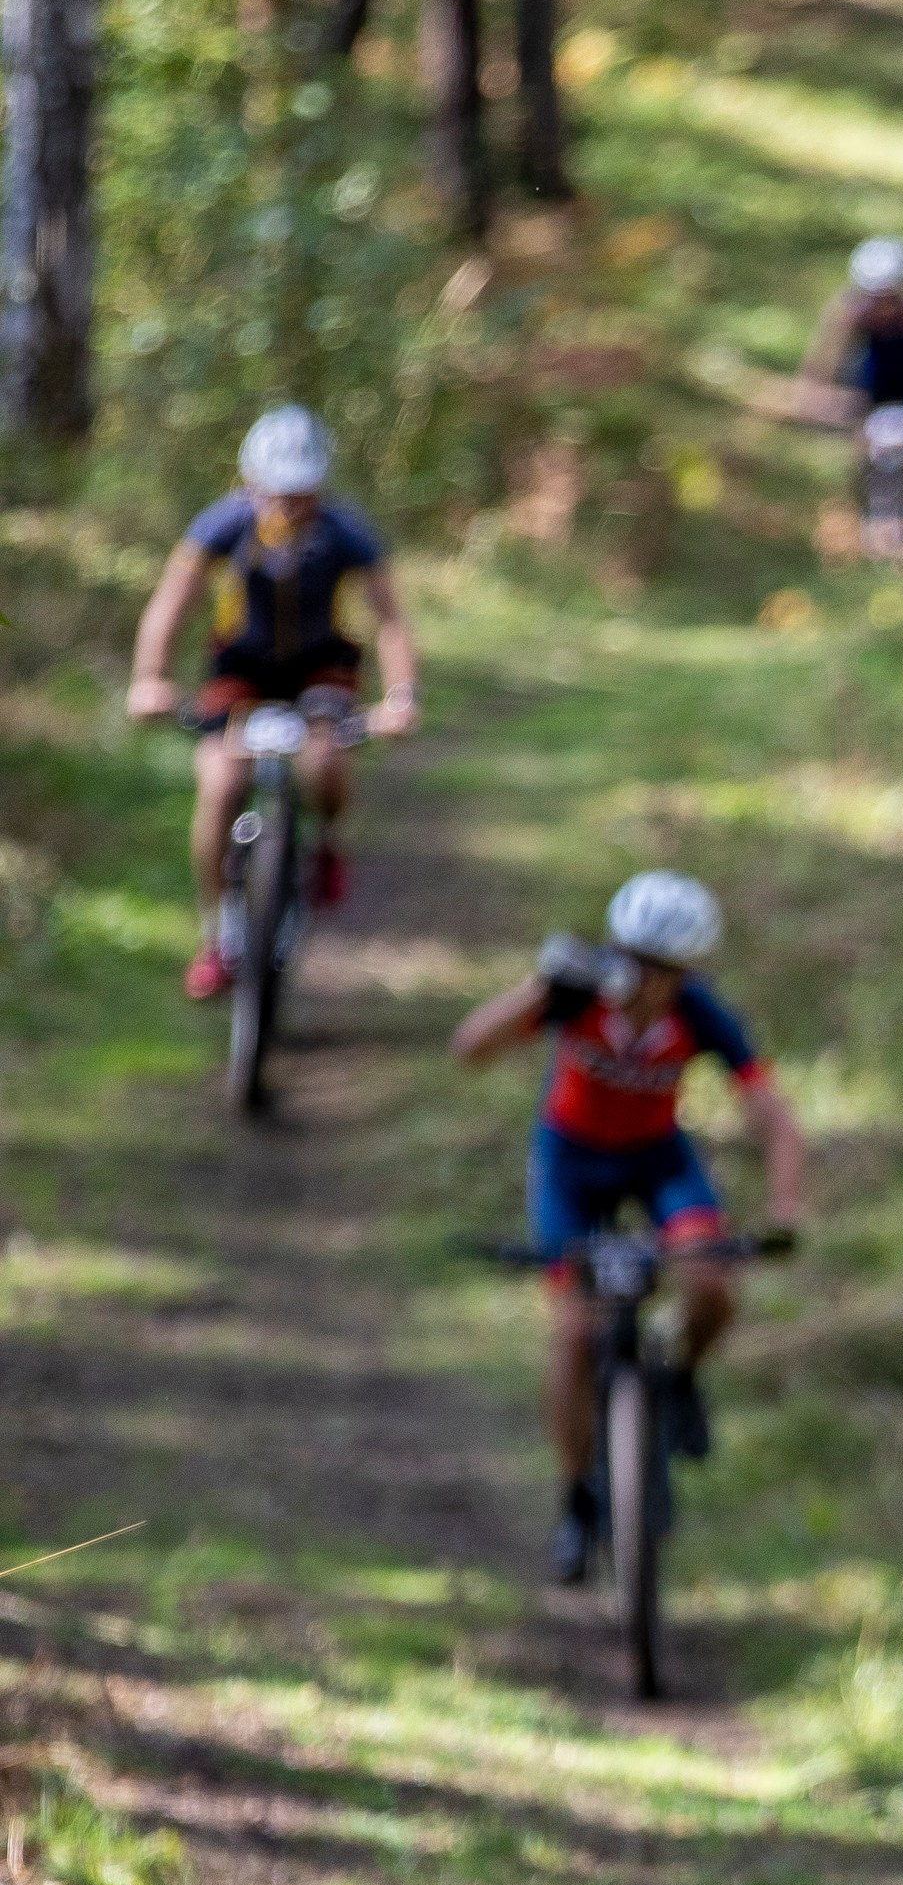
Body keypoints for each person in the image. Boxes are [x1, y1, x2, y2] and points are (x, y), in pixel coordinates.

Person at [452, 870, 806, 1585]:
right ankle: (576, 1497)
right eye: (629, 957)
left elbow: (772, 1114)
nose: (639, 978)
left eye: (658, 967)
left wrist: (784, 1207)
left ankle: (679, 1381)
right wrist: (536, 989)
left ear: (685, 973)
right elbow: (470, 1048)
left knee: (711, 1284)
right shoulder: (575, 995)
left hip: (657, 1161)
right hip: (570, 1166)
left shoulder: (700, 1014)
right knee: (575, 1331)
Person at [126, 406, 421, 1003]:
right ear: (251, 483)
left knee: (325, 762)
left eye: (302, 492)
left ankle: (326, 842)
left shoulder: (347, 531)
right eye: (277, 492)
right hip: (241, 671)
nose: (290, 504)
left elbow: (390, 620)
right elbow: (172, 604)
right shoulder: (222, 525)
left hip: (322, 667)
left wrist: (401, 696)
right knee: (221, 783)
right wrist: (149, 679)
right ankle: (219, 937)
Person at [796, 238, 903, 530]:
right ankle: (857, 511)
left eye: (892, 294)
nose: (885, 302)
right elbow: (826, 354)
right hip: (867, 391)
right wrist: (814, 389)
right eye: (877, 295)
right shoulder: (850, 315)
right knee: (859, 449)